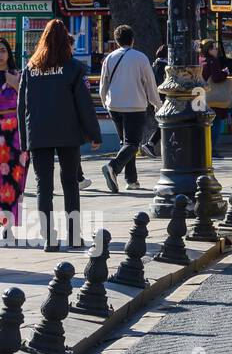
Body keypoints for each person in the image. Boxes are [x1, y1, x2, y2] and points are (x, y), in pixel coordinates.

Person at [16, 20, 101, 250]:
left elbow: (21, 106)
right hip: (67, 133)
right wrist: (94, 134)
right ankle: (74, 236)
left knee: (44, 187)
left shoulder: (31, 68)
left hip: (39, 133)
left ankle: (49, 239)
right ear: (66, 41)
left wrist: (25, 139)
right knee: (70, 183)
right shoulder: (73, 68)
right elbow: (84, 104)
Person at [99, 24, 160, 192]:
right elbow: (150, 83)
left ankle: (131, 180)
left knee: (125, 143)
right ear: (132, 39)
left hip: (115, 105)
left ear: (117, 41)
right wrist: (157, 103)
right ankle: (113, 166)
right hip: (134, 105)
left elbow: (104, 83)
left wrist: (105, 101)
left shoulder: (109, 58)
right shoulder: (140, 58)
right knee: (132, 143)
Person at [0, 38, 29, 242]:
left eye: (2, 50)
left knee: (13, 180)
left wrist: (15, 85)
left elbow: (29, 103)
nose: (0, 54)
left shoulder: (18, 75)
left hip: (15, 134)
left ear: (9, 53)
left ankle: (7, 225)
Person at [200, 40, 232, 157]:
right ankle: (211, 149)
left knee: (205, 124)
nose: (217, 50)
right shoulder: (213, 60)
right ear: (209, 49)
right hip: (214, 97)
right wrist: (224, 72)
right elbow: (216, 78)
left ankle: (204, 148)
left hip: (201, 96)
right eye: (215, 48)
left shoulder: (200, 60)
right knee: (216, 122)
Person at [141, 44, 167, 156]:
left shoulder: (153, 66)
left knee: (163, 123)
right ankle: (150, 143)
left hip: (154, 98)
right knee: (165, 123)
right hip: (164, 99)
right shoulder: (166, 67)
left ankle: (152, 144)